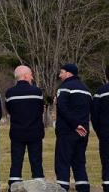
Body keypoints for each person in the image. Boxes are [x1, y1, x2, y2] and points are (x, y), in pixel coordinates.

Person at [4, 65, 45, 186]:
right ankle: (39, 185)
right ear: (26, 76)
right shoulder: (37, 92)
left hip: (17, 132)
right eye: (31, 74)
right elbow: (40, 110)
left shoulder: (9, 93)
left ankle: (14, 185)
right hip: (35, 131)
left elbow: (9, 110)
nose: (32, 77)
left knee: (16, 162)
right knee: (36, 161)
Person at [56, 63, 92, 192]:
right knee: (79, 163)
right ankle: (84, 188)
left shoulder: (65, 87)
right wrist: (83, 127)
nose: (59, 75)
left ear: (69, 73)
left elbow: (63, 108)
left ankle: (62, 188)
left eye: (61, 72)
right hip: (83, 133)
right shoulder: (86, 89)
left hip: (67, 132)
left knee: (62, 163)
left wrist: (75, 125)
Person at [94, 67, 109, 192]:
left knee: (106, 161)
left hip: (106, 133)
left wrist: (100, 132)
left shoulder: (100, 91)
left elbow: (95, 115)